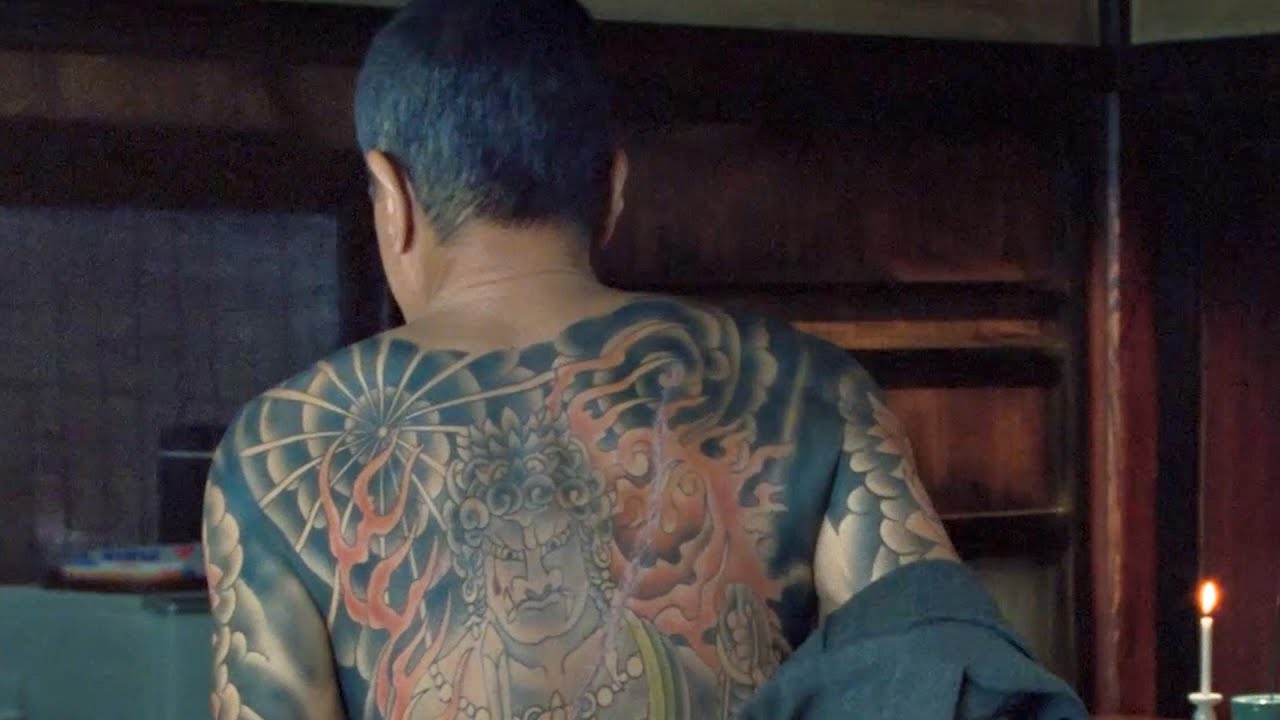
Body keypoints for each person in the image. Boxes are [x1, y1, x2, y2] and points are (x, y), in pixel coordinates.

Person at [200, 1, 970, 719]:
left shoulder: (279, 452)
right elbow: (948, 686)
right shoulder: (813, 392)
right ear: (613, 187)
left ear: (392, 193)